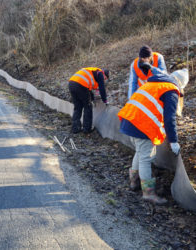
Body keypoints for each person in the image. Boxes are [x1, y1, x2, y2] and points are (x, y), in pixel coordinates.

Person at [118, 72, 184, 205]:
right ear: (180, 83)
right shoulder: (170, 90)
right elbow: (169, 118)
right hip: (141, 125)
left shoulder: (153, 84)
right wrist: (173, 141)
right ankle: (148, 193)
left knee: (140, 152)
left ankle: (134, 181)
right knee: (145, 158)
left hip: (130, 120)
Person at [68, 67, 109, 134]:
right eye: (105, 78)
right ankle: (87, 129)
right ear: (104, 74)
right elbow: (102, 89)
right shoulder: (100, 73)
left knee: (78, 107)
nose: (104, 80)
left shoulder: (92, 71)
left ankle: (75, 128)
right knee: (88, 106)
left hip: (71, 84)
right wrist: (105, 100)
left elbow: (88, 89)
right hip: (80, 85)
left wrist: (92, 98)